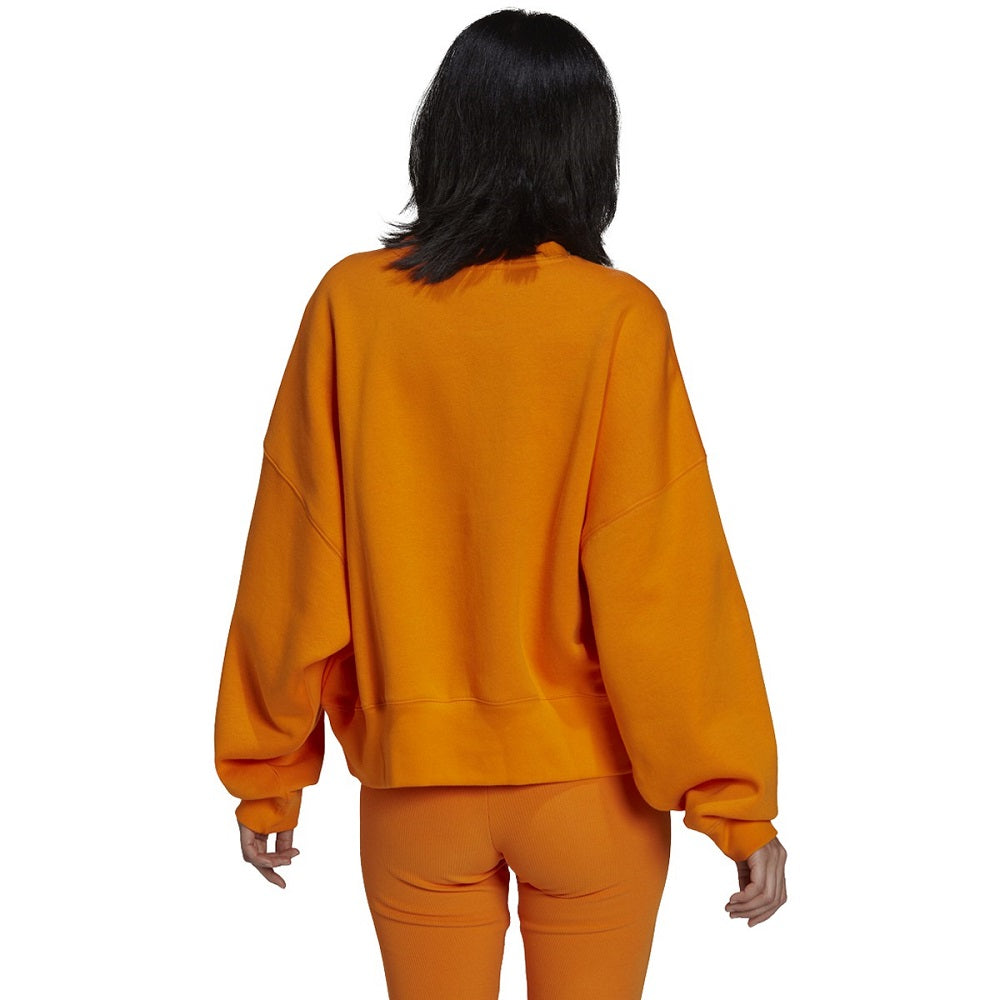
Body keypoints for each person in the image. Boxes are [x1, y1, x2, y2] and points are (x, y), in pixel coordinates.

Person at [214, 8, 787, 998]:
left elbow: (295, 556)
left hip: (417, 790)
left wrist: (268, 774)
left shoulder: (352, 306)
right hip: (590, 796)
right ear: (589, 151)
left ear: (442, 132)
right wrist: (736, 806)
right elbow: (663, 580)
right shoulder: (616, 319)